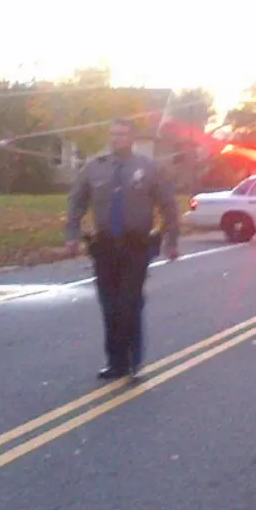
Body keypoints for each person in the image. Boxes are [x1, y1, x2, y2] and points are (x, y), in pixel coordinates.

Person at [65, 118, 180, 380]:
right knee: (109, 306)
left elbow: (168, 206)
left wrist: (171, 240)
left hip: (135, 246)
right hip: (104, 246)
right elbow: (77, 201)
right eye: (113, 134)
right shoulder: (95, 168)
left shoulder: (148, 168)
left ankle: (134, 362)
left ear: (132, 138)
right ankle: (115, 362)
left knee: (129, 303)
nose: (117, 138)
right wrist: (72, 235)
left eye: (122, 134)